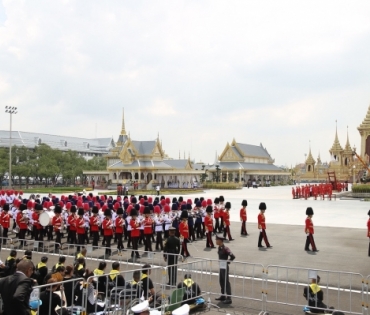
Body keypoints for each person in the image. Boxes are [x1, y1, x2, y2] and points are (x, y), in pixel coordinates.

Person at [215, 234, 235, 305]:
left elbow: (232, 256)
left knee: (226, 282)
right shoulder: (219, 248)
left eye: (217, 240)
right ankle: (223, 295)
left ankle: (229, 298)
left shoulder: (225, 248)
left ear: (220, 241)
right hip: (221, 266)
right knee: (221, 281)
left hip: (225, 267)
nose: (216, 241)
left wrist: (228, 262)